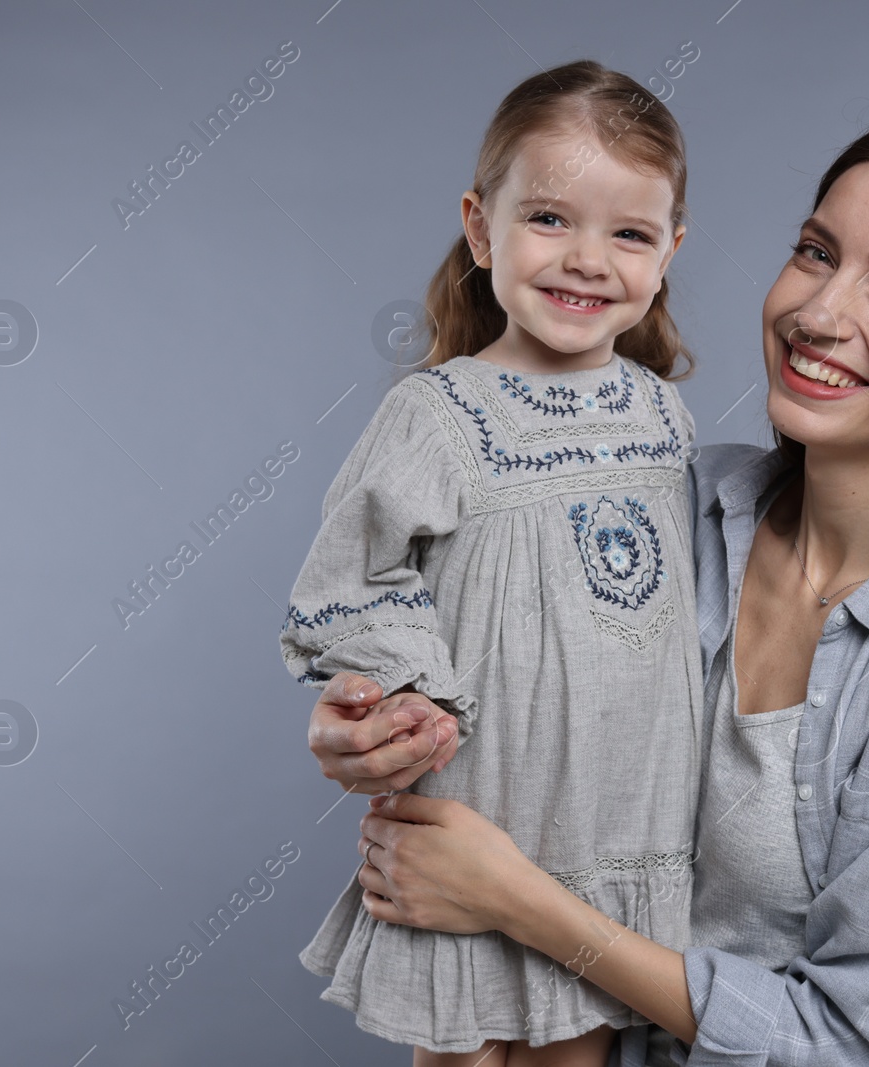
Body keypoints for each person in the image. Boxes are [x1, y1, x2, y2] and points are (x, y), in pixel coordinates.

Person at [308, 113, 869, 1066]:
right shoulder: (666, 500)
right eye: (816, 252)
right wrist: (371, 719)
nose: (820, 313)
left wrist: (520, 903)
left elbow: (851, 1045)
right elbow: (492, 679)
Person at [278, 60, 705, 1066]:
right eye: (550, 219)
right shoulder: (439, 412)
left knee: (581, 1049)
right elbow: (347, 582)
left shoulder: (664, 415)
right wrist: (407, 691)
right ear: (481, 227)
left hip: (616, 834)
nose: (587, 259)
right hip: (482, 818)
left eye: (629, 233)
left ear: (668, 253)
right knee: (464, 1050)